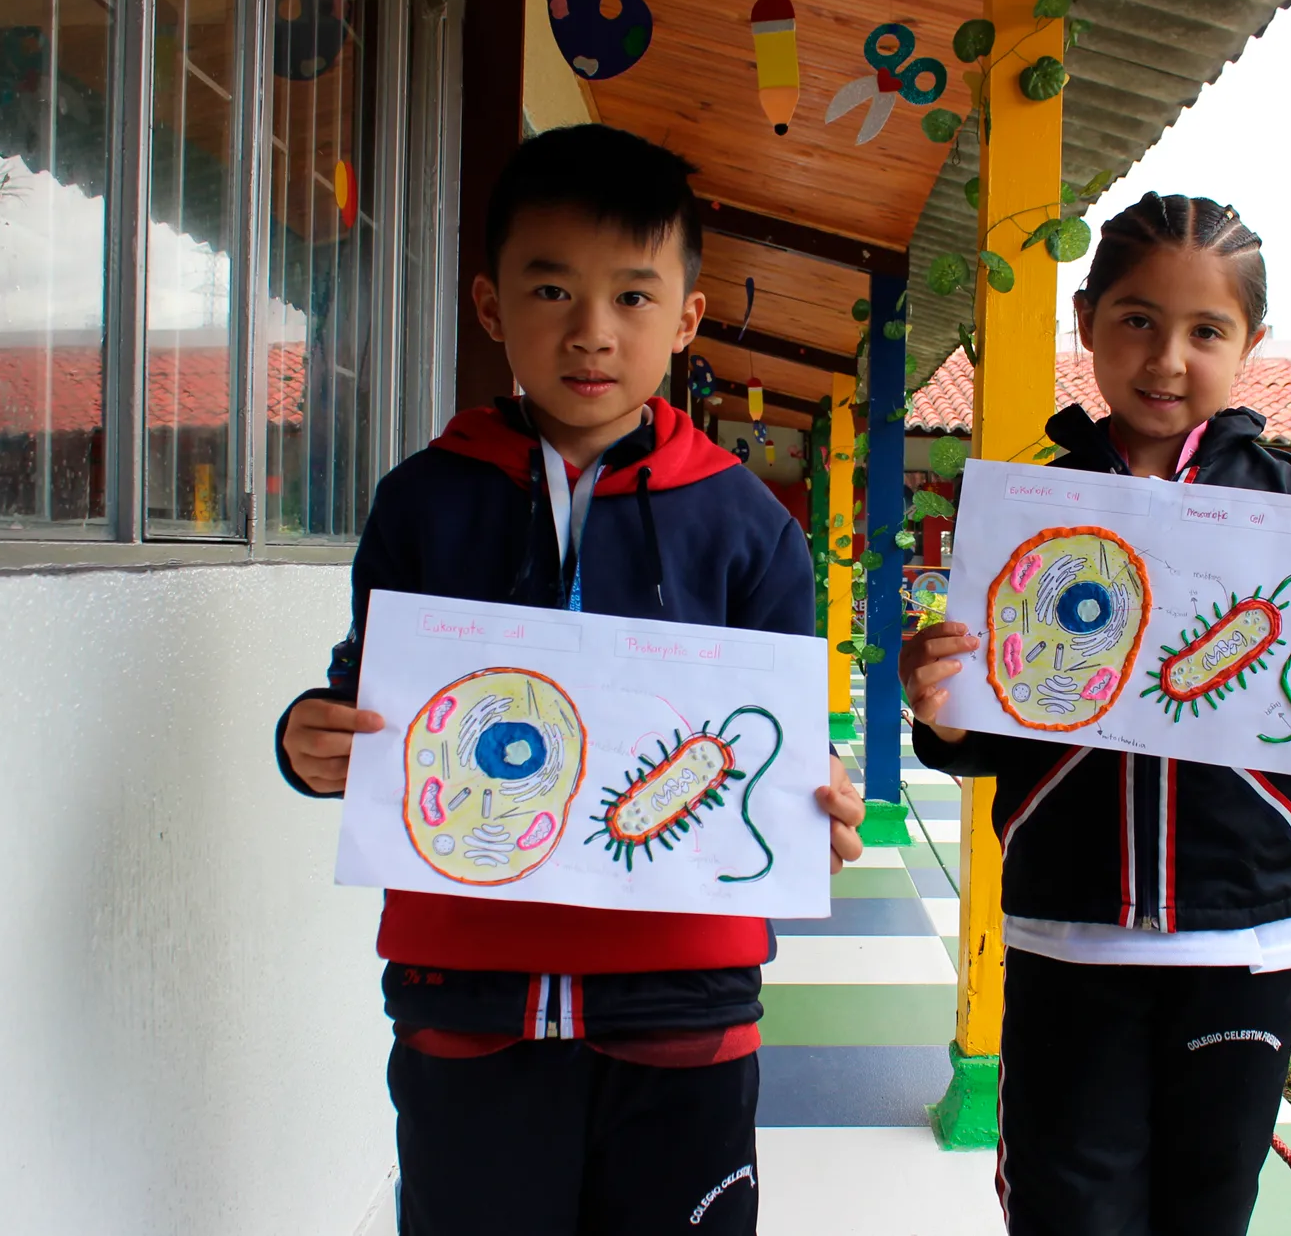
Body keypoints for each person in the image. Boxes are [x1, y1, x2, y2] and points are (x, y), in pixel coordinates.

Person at [275, 123, 866, 1236]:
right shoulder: (424, 501)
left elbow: (787, 737)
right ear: (492, 306)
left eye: (634, 298)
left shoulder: (750, 527)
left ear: (687, 317)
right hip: (466, 998)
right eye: (553, 291)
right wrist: (314, 738)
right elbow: (367, 701)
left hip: (684, 1008)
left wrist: (818, 795)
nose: (592, 333)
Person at [899, 193, 1291, 1236]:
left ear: (1251, 345)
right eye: (1138, 320)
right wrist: (944, 702)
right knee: (1068, 1206)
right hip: (1068, 934)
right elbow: (991, 736)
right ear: (1087, 321)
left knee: (1209, 1209)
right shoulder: (1035, 511)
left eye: (1205, 331)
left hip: (1244, 938)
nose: (1167, 358)